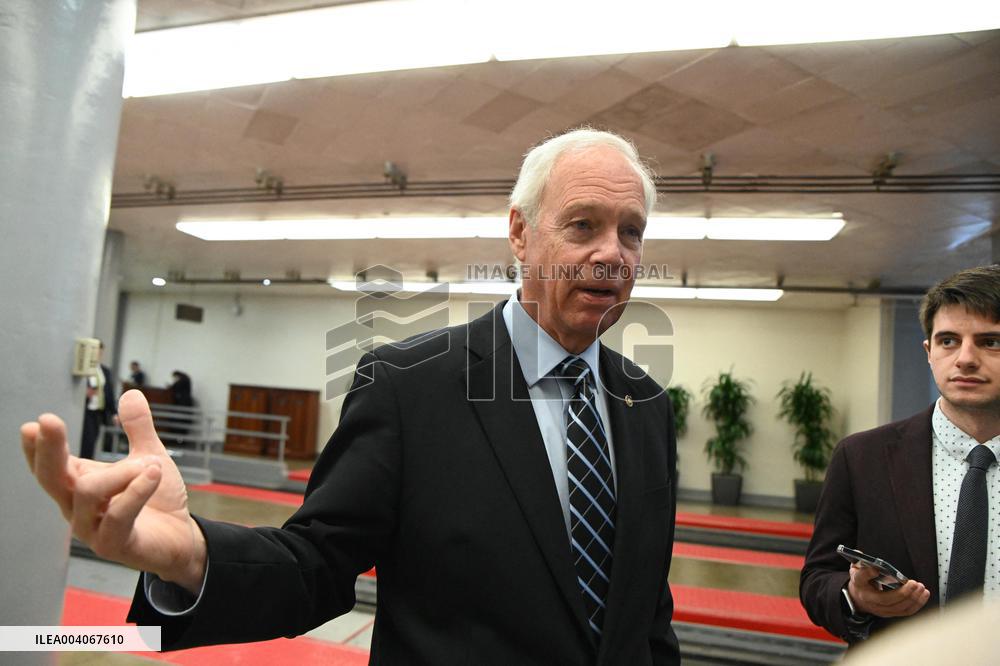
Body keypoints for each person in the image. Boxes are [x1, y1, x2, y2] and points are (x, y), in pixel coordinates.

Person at [21, 128, 681, 664]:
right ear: (519, 232)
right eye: (583, 225)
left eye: (631, 231)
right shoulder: (409, 388)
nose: (611, 253)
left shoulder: (646, 404)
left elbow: (648, 617)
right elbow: (318, 565)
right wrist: (191, 555)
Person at [800, 264, 1000, 645]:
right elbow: (817, 580)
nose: (965, 358)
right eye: (948, 341)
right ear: (929, 352)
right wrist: (856, 596)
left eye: (990, 341)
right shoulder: (862, 459)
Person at [79, 341, 116, 459]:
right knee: (87, 442)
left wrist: (114, 412)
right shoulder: (86, 369)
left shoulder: (104, 371)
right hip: (87, 410)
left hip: (99, 412)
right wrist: (84, 394)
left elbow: (109, 392)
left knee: (93, 441)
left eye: (100, 352)